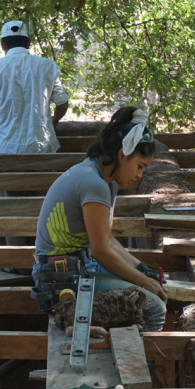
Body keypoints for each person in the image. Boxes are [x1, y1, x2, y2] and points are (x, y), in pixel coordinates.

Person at [32, 106, 167, 332]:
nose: (140, 175)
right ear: (123, 155)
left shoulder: (105, 180)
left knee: (148, 288)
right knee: (153, 307)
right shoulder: (93, 184)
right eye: (140, 166)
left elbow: (109, 240)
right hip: (59, 277)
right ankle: (141, 362)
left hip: (79, 265)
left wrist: (142, 269)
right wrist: (145, 283)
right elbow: (101, 251)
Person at [0, 20, 69, 154]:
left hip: (8, 150)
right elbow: (62, 104)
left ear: (2, 44)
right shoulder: (48, 66)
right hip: (42, 148)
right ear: (28, 43)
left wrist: (1, 127)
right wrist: (53, 121)